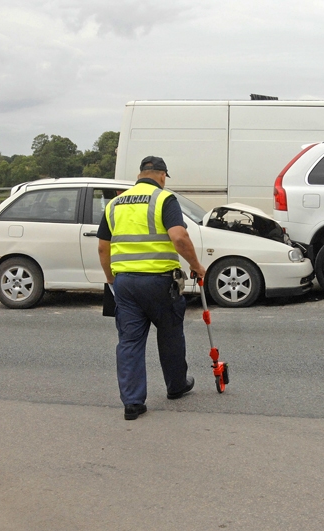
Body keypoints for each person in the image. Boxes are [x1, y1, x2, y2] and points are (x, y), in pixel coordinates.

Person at [97, 156, 207, 420]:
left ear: (139, 175)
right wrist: (196, 265)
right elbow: (179, 236)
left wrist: (112, 280)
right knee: (170, 334)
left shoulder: (114, 204)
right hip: (159, 282)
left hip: (125, 283)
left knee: (130, 341)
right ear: (161, 175)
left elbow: (103, 247)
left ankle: (133, 403)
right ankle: (176, 386)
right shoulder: (163, 199)